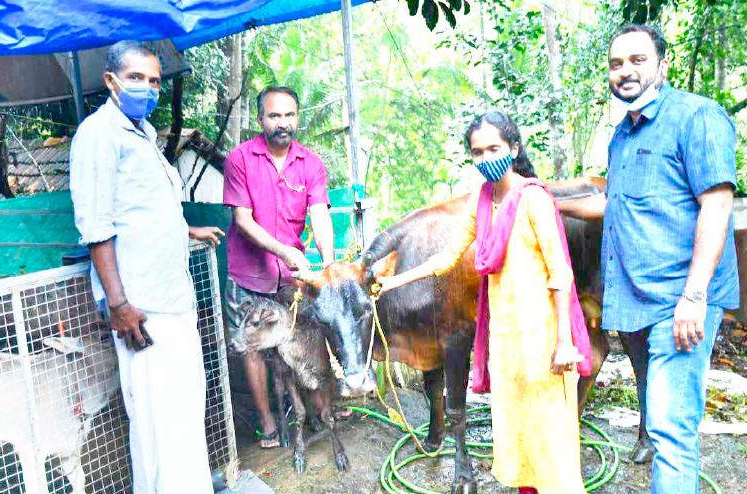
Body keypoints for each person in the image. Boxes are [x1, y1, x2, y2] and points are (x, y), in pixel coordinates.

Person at [558, 25, 738, 493]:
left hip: (680, 299)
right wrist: (548, 203)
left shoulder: (696, 116)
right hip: (636, 300)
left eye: (637, 60)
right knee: (663, 425)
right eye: (616, 64)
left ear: (662, 65)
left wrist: (694, 297)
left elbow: (717, 205)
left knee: (670, 432)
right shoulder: (623, 135)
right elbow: (614, 202)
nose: (625, 72)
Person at [378, 111, 590, 494]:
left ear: (514, 148)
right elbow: (445, 258)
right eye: (477, 152)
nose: (486, 157)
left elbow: (561, 275)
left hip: (543, 340)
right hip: (506, 343)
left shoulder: (533, 199)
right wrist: (393, 280)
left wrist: (564, 342)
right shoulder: (483, 201)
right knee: (519, 433)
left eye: (494, 148)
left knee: (549, 439)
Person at [69, 40, 223, 493]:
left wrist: (185, 230)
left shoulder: (145, 134)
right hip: (142, 306)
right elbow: (97, 226)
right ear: (111, 81)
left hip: (170, 297)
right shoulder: (99, 135)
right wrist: (118, 303)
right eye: (137, 78)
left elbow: (144, 209)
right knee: (162, 418)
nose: (149, 88)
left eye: (155, 81)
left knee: (179, 413)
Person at [222, 86, 335, 448]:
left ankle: (321, 407)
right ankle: (267, 422)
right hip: (248, 275)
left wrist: (329, 264)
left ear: (297, 118)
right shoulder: (240, 158)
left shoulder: (312, 164)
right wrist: (285, 251)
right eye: (274, 115)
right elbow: (242, 219)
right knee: (253, 347)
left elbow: (319, 215)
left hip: (290, 277)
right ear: (260, 120)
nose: (282, 123)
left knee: (305, 337)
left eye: (289, 115)